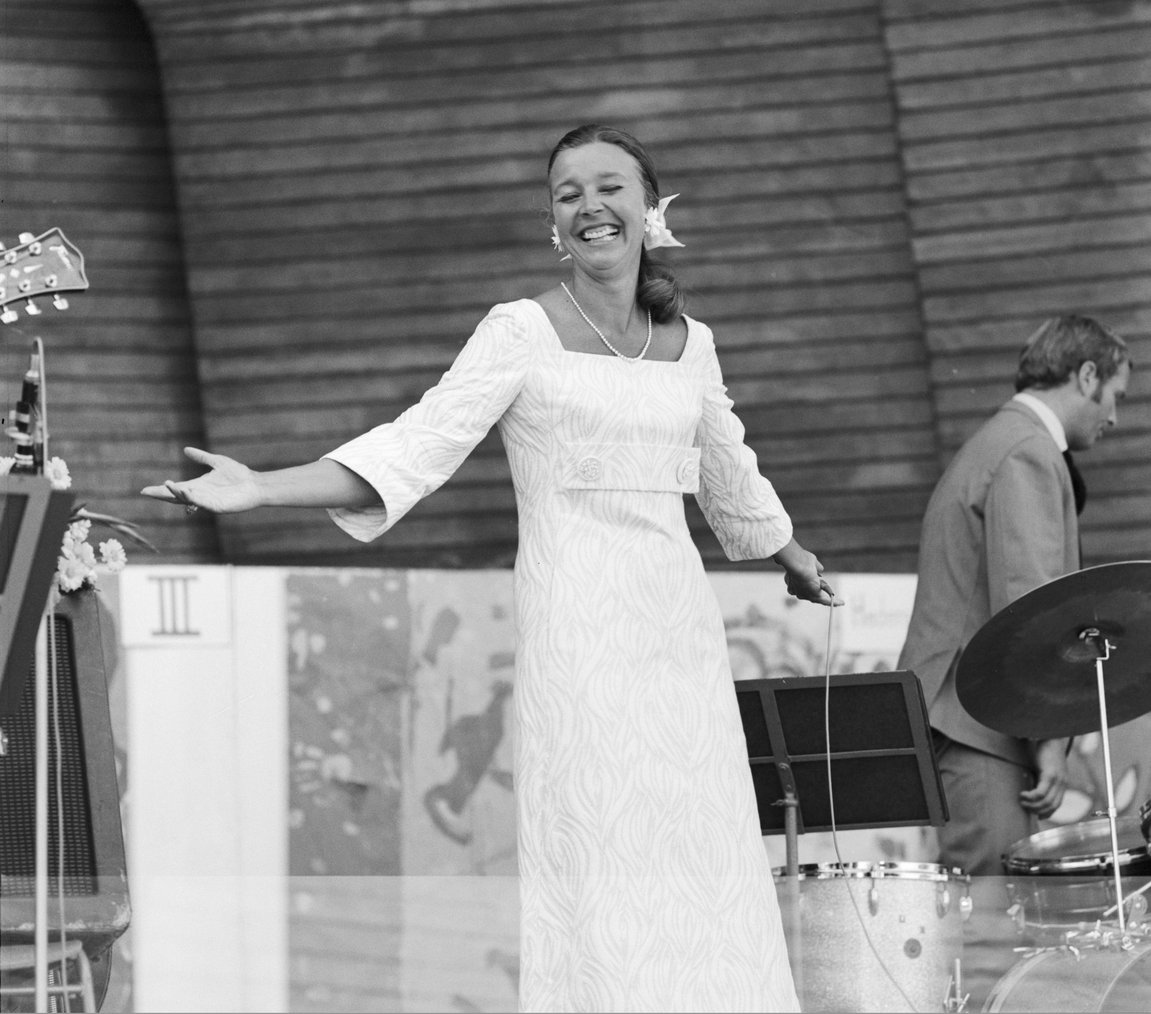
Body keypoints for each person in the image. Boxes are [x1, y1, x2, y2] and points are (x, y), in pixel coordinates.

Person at [145, 124, 838, 1014]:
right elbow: (416, 445)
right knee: (603, 864)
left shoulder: (689, 341)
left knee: (700, 858)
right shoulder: (520, 329)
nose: (590, 205)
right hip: (578, 635)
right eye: (567, 193)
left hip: (678, 639)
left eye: (610, 186)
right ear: (554, 225)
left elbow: (727, 468)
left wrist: (789, 553)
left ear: (650, 208)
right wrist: (259, 487)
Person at [899, 314, 1130, 878]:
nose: (1115, 417)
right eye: (1114, 397)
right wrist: (1049, 738)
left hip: (973, 723)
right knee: (990, 935)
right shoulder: (1026, 451)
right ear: (1086, 375)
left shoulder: (1007, 441)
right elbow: (1029, 610)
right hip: (978, 725)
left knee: (994, 933)